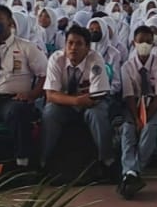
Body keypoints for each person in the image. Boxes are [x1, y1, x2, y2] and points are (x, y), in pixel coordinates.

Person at [40, 26, 117, 179]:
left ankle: (107, 161)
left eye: (79, 44)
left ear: (87, 47)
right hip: (66, 103)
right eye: (70, 43)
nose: (73, 48)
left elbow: (97, 95)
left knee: (98, 115)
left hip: (91, 102)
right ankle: (43, 161)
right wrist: (75, 100)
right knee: (50, 113)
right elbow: (50, 95)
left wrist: (79, 100)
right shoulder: (56, 59)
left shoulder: (95, 59)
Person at [118, 26, 157, 199]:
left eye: (149, 41)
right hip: (134, 106)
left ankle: (132, 172)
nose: (144, 44)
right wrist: (136, 117)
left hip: (156, 106)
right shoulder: (127, 66)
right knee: (128, 129)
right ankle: (132, 173)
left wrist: (145, 118)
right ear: (134, 42)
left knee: (149, 128)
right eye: (140, 41)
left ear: (153, 43)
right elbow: (129, 96)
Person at [0, 6, 48, 168]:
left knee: (18, 112)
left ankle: (22, 163)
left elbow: (45, 74)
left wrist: (33, 94)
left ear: (10, 23)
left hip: (12, 99)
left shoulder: (27, 47)